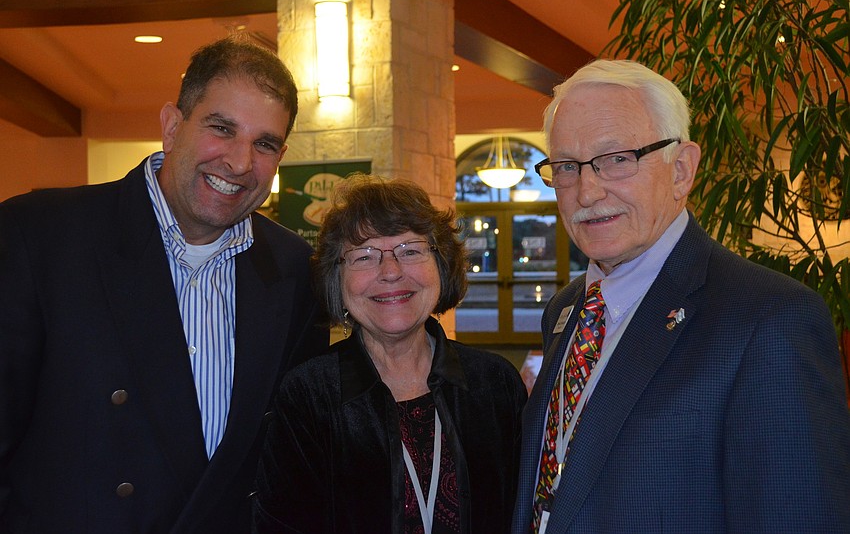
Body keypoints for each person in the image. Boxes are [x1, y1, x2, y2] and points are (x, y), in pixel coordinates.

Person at [0, 37, 328, 533]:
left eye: (263, 143)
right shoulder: (39, 236)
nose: (240, 163)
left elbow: (288, 457)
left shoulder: (295, 269)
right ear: (172, 127)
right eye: (222, 128)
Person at [511, 59, 850, 533]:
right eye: (567, 166)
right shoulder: (567, 311)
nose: (587, 190)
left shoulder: (770, 319)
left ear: (681, 169)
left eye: (617, 159)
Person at [253, 174, 527, 533]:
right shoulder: (309, 397)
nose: (391, 272)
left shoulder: (495, 384)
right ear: (337, 278)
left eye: (410, 251)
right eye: (364, 257)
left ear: (441, 265)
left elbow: (524, 517)